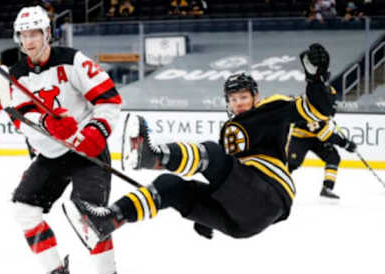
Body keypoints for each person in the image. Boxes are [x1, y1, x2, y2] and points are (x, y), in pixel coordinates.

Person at [64, 43, 335, 252]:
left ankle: (152, 155)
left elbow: (319, 110)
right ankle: (108, 220)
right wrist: (204, 216)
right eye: (233, 99)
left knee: (213, 155)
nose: (239, 103)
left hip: (270, 194)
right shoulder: (228, 132)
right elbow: (224, 177)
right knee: (169, 186)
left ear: (256, 97)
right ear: (227, 102)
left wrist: (316, 79)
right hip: (241, 222)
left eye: (244, 97)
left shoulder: (273, 108)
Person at [9, 6, 122, 274]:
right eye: (23, 34)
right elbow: (20, 117)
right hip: (50, 154)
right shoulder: (18, 73)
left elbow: (108, 99)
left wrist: (95, 132)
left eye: (34, 33)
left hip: (86, 150)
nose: (29, 40)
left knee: (88, 214)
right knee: (24, 209)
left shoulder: (72, 60)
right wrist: (47, 123)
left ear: (47, 33)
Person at [287, 91, 357, 198]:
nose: (332, 103)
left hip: (316, 138)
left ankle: (327, 188)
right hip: (301, 138)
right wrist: (345, 144)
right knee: (292, 163)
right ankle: (275, 184)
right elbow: (325, 135)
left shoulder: (321, 104)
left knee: (333, 156)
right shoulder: (309, 109)